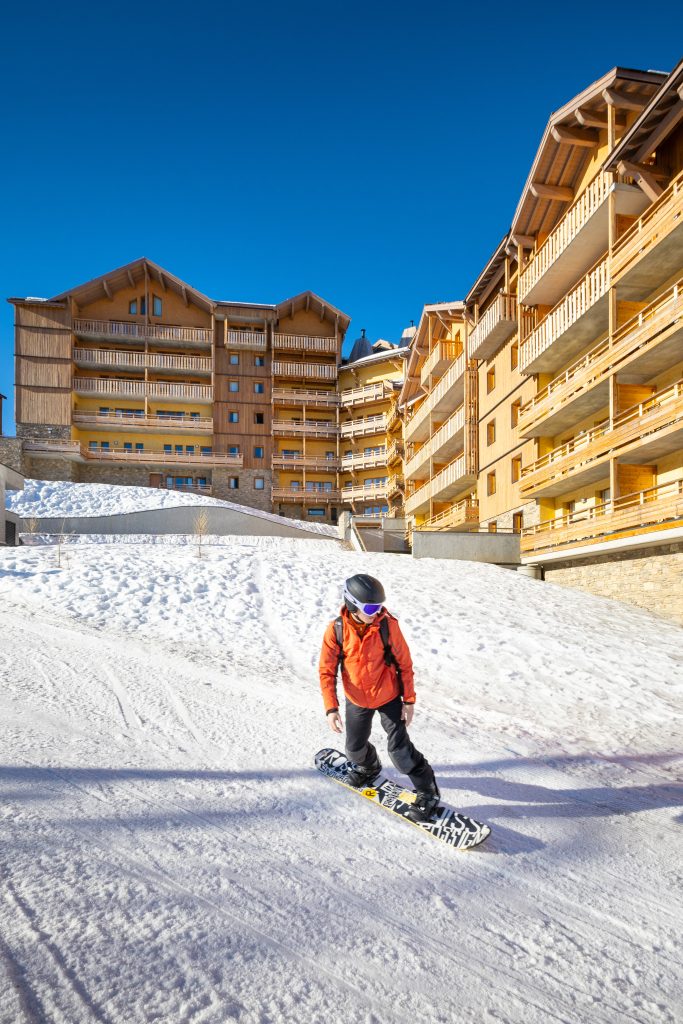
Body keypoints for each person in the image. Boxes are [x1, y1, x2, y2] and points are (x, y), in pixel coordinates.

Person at [319, 572, 440, 823]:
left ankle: (428, 791)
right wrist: (331, 707)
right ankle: (369, 767)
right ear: (353, 604)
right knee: (354, 750)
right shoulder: (337, 630)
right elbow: (326, 671)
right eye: (371, 608)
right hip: (357, 699)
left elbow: (405, 664)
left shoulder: (387, 625)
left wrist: (409, 701)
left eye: (379, 606)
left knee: (400, 753)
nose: (376, 612)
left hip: (388, 696)